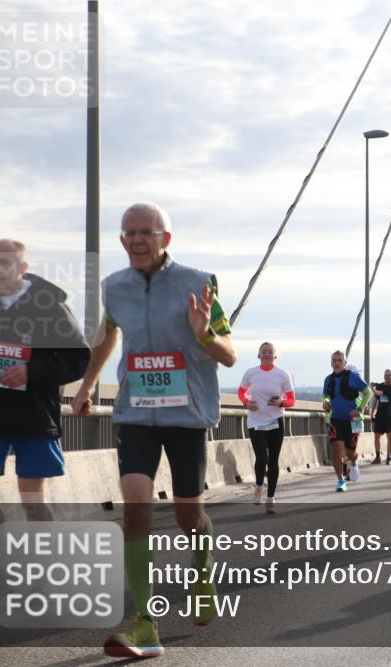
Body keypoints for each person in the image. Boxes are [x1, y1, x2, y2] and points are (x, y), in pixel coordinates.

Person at [71, 203, 238, 657]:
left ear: (167, 238)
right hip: (135, 414)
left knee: (189, 516)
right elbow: (107, 336)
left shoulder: (198, 283)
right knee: (136, 506)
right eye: (130, 233)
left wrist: (204, 333)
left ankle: (201, 571)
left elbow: (229, 355)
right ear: (122, 241)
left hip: (187, 415)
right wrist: (87, 386)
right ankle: (145, 624)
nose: (138, 239)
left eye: (147, 232)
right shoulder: (115, 287)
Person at [0, 239, 90, 611]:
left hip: (33, 414)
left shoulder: (49, 304)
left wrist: (32, 372)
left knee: (33, 501)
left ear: (23, 267)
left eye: (5, 263)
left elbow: (78, 358)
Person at [238, 342, 295, 513]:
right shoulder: (251, 373)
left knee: (273, 460)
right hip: (256, 421)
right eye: (264, 352)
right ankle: (258, 486)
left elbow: (292, 400)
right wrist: (246, 402)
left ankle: (270, 498)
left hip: (275, 420)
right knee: (262, 457)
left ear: (275, 356)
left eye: (270, 352)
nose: (267, 354)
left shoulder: (282, 374)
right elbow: (241, 392)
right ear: (259, 355)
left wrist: (281, 402)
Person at [322, 353, 370, 492]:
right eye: (334, 360)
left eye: (339, 361)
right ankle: (340, 480)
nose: (337, 363)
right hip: (335, 419)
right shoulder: (328, 379)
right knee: (336, 450)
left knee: (349, 452)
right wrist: (325, 402)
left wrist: (359, 409)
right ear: (331, 362)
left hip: (352, 420)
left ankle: (354, 462)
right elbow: (326, 395)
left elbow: (367, 393)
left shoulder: (353, 377)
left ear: (345, 362)